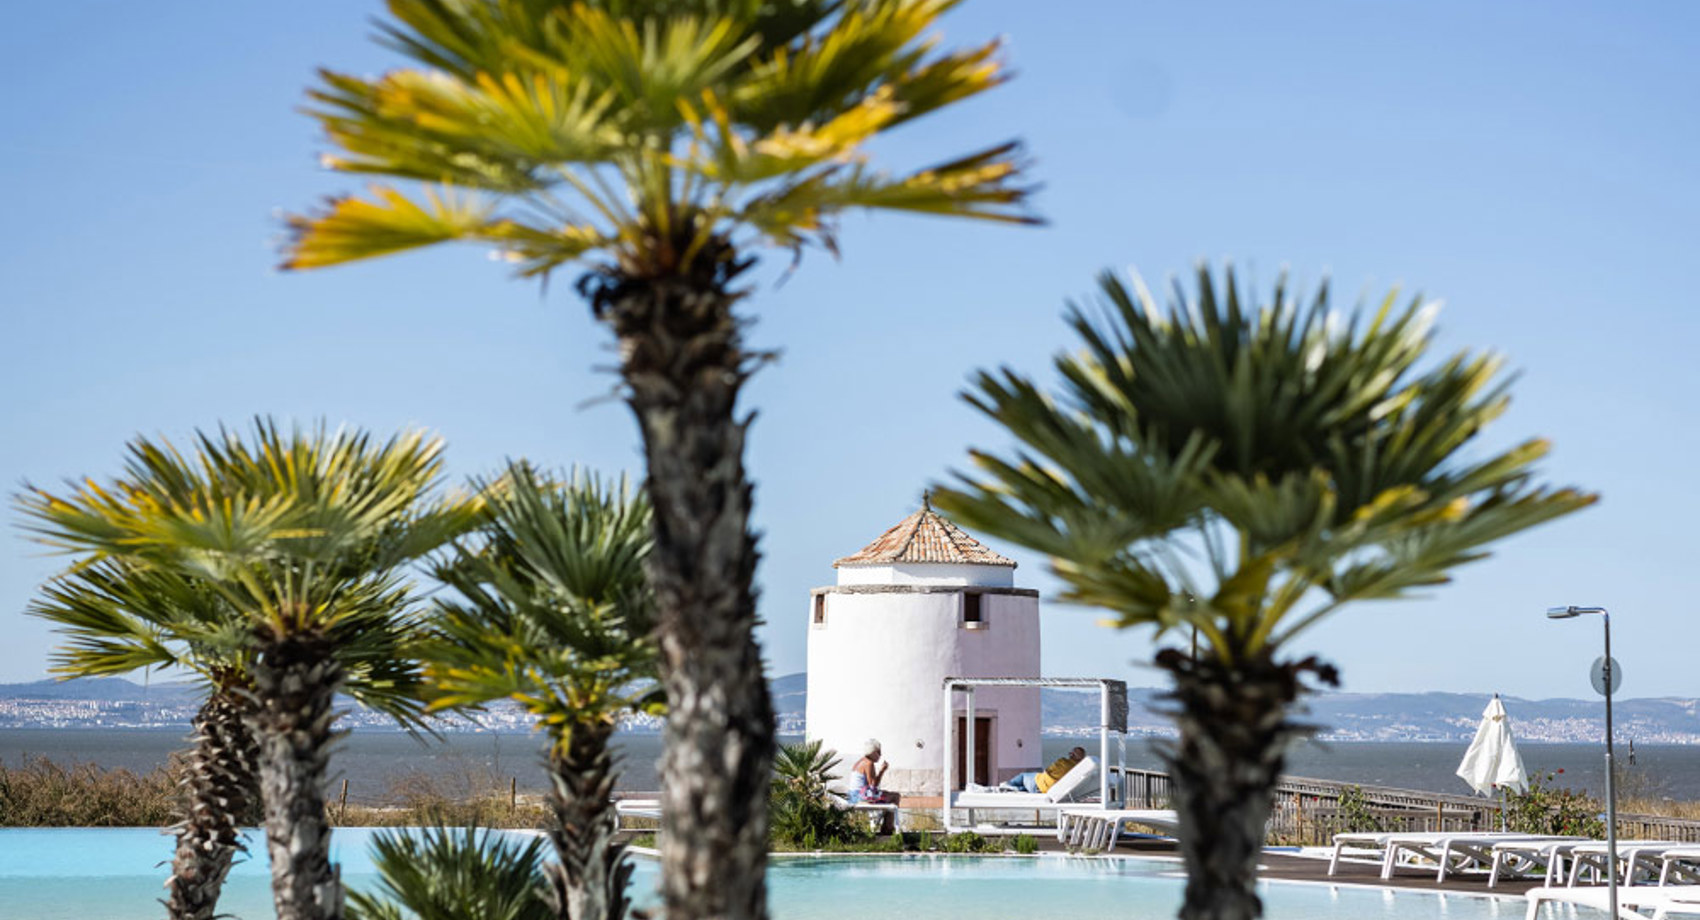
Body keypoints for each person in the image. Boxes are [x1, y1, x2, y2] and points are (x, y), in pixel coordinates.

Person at [1007, 746, 1086, 794]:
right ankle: (1017, 789)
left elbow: (1048, 770)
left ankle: (1008, 785)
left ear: (1072, 755)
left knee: (1023, 775)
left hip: (1039, 784)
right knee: (1027, 785)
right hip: (1047, 790)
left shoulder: (1063, 762)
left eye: (1070, 753)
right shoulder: (1079, 770)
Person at [847, 738, 890, 804]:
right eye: (878, 752)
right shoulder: (868, 763)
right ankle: (888, 814)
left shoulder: (861, 761)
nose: (880, 755)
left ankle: (884, 813)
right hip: (860, 797)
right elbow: (873, 786)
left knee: (888, 795)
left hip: (853, 796)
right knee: (895, 796)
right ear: (872, 752)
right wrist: (882, 771)